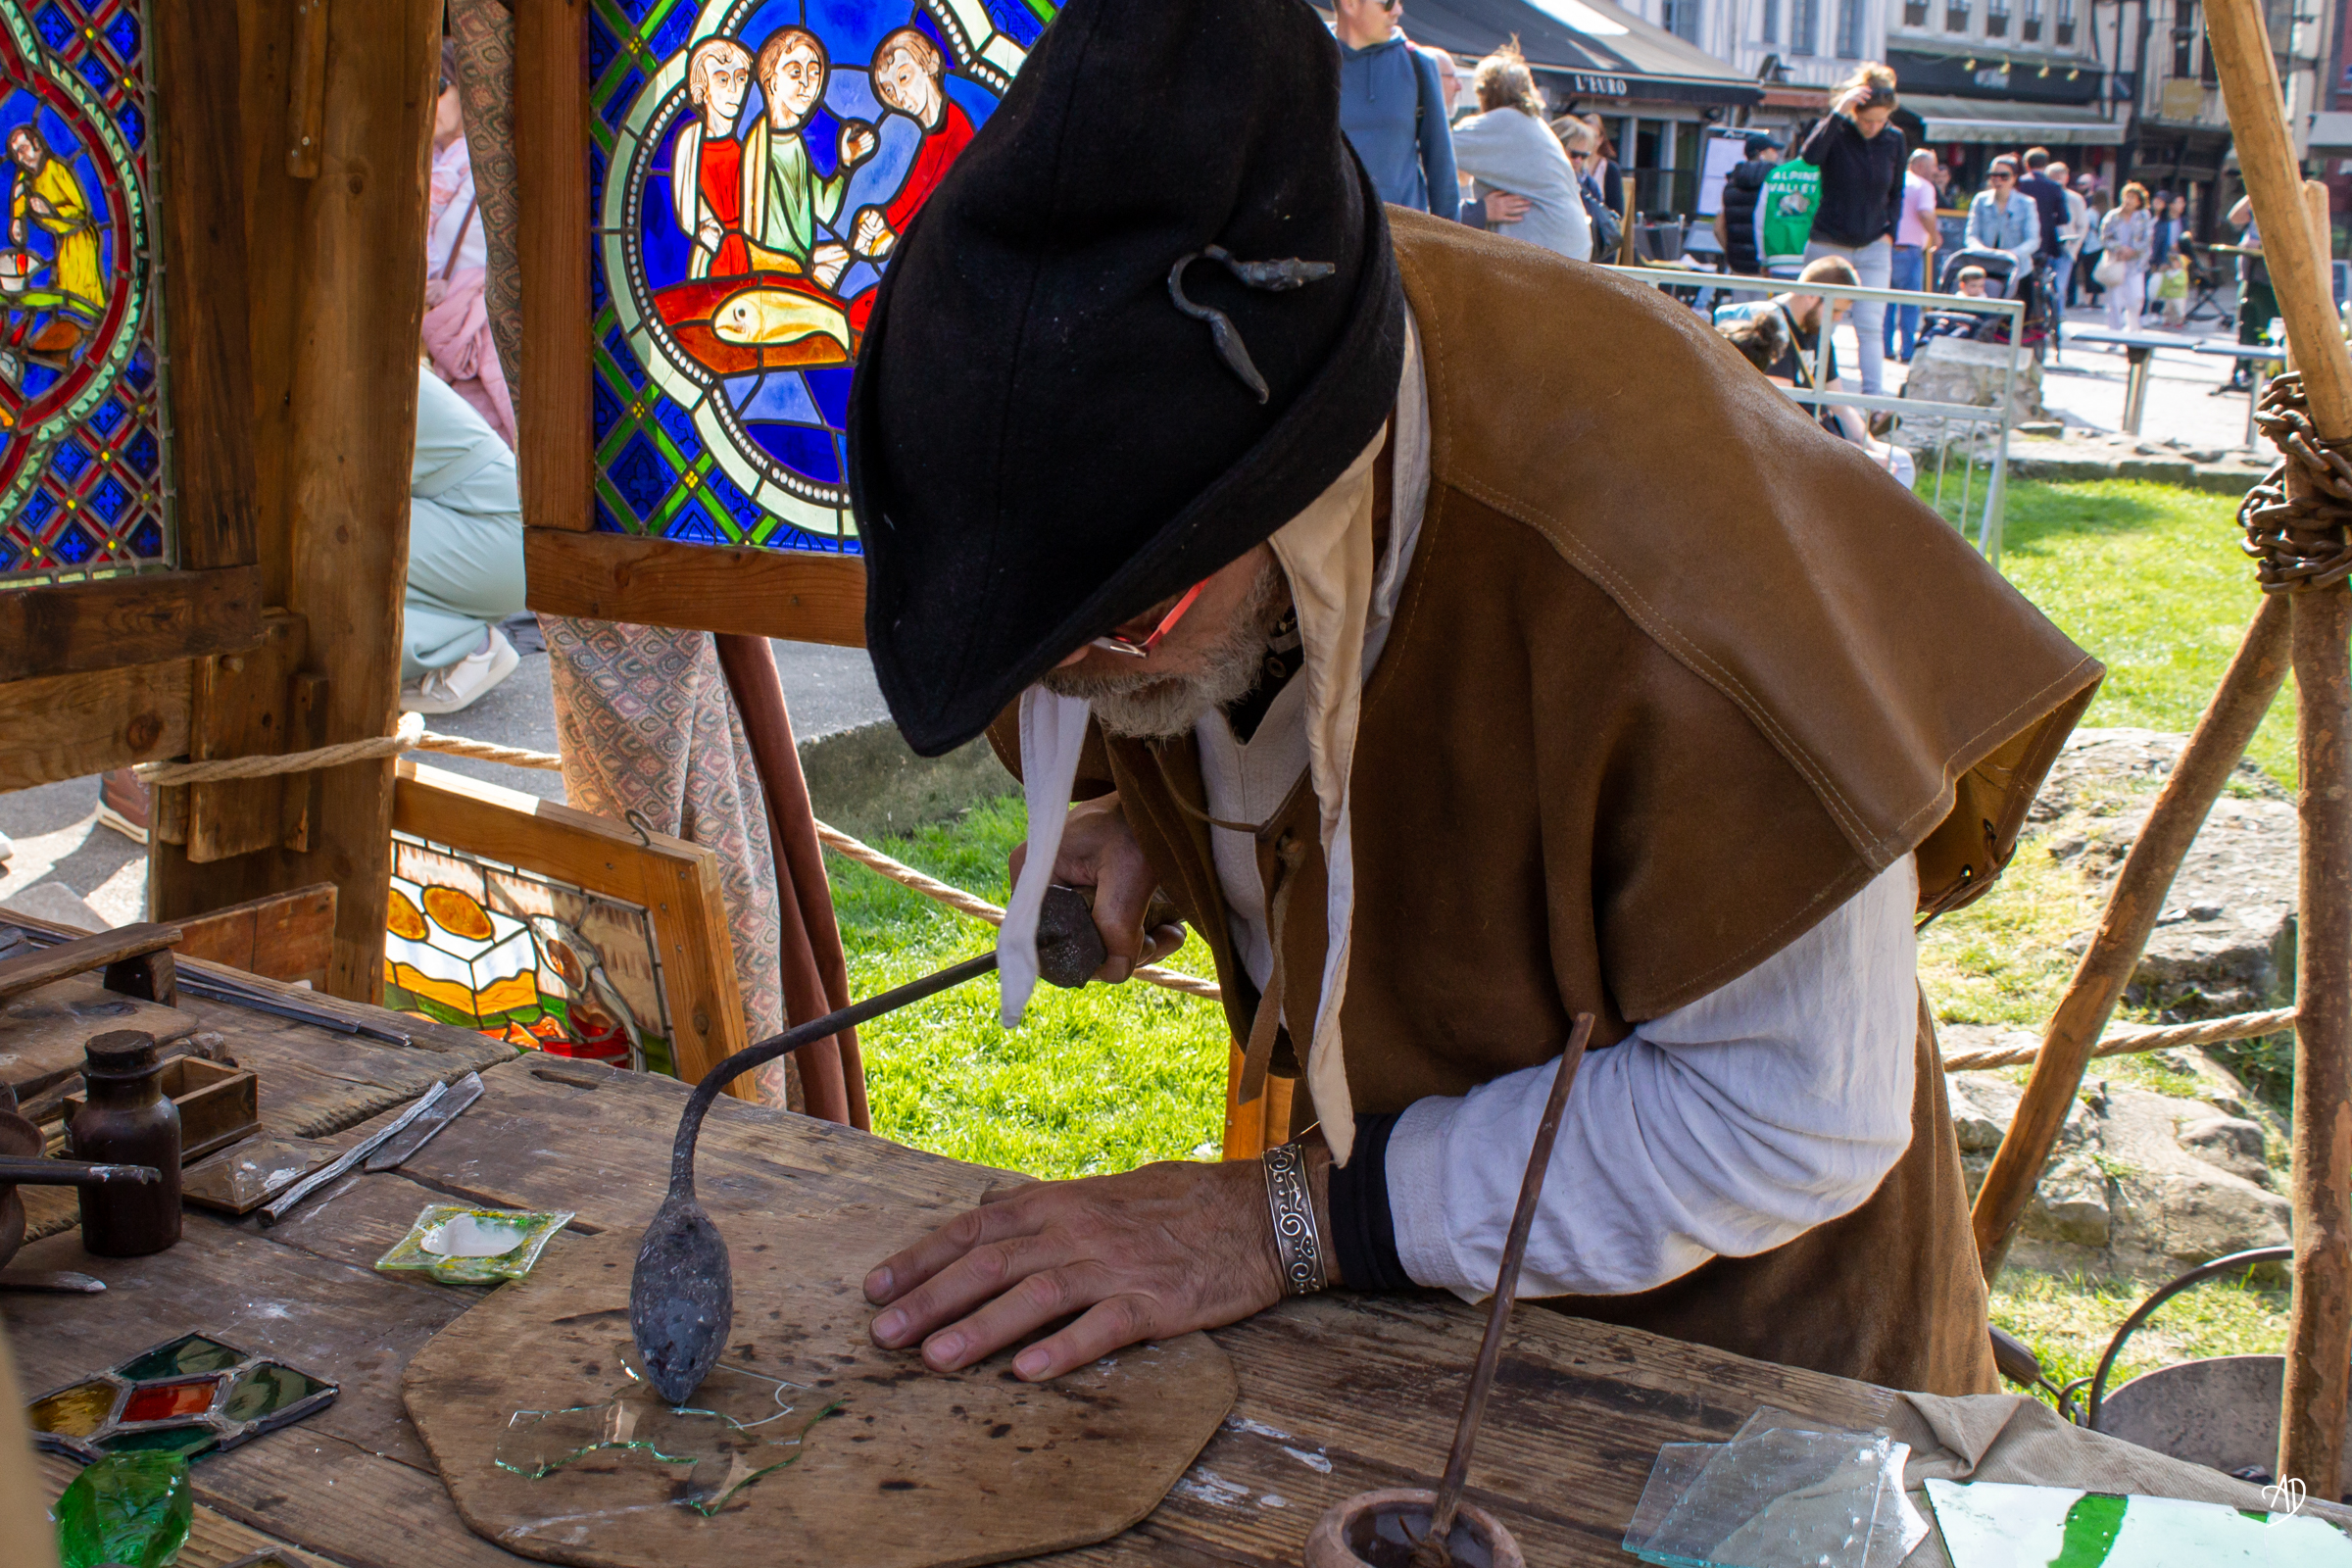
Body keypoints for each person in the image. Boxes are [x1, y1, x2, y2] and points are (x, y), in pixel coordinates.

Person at [845, 0, 2099, 1396]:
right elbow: (1238, 654)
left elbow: (1791, 1114)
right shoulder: (1181, 402)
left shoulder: (1669, 560)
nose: (1062, 687)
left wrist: (1282, 1220)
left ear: (1308, 473)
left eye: (1115, 629)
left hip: (1747, 1392)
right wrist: (1149, 808)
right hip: (1423, 1341)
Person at [1715, 256, 1914, 486]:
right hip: (1796, 444)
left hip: (1823, 437)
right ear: (1811, 295)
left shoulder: (1818, 332)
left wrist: (1871, 446)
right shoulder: (1773, 328)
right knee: (1878, 468)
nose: (1838, 319)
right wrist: (1854, 452)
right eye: (1834, 310)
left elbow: (1838, 402)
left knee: (1900, 460)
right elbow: (1785, 414)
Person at [400, 366, 526, 714]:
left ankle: (460, 650)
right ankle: (452, 642)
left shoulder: (353, 359)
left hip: (500, 537)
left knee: (329, 536)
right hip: (494, 535)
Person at [421, 41, 514, 446]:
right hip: (443, 357)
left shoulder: (490, 174)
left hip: (483, 349)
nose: (430, 100)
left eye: (439, 85)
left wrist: (457, 293)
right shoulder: (433, 170)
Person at [1797, 63, 1906, 396]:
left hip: (1874, 242)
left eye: (1881, 120)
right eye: (1867, 119)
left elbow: (1897, 190)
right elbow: (1810, 157)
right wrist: (1839, 113)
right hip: (1829, 239)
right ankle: (1815, 394)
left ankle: (1874, 401)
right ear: (1856, 112)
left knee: (1871, 324)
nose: (1874, 127)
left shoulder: (1894, 139)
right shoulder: (1839, 131)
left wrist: (1891, 233)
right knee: (1820, 321)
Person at [744, 27, 877, 292]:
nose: (808, 83)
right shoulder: (762, 146)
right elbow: (772, 237)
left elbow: (823, 208)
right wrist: (814, 264)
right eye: (795, 72)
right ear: (771, 81)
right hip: (776, 276)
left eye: (815, 72)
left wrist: (846, 162)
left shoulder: (794, 143)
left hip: (800, 264)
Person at [1446, 44, 1589, 261]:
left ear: (1485, 93)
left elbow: (1435, 147)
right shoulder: (1532, 123)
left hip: (1543, 253)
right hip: (1570, 249)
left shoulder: (1505, 121)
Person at [850, 28, 978, 263]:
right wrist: (879, 220)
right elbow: (911, 198)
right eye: (889, 90)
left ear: (931, 64)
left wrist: (894, 235)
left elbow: (943, 212)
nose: (898, 96)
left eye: (903, 78)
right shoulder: (932, 135)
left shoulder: (957, 130)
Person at [1331, 0, 1459, 220]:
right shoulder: (1309, 63)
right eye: (1387, 2)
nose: (1398, 10)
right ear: (1350, 4)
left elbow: (1442, 177)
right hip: (1330, 244)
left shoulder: (1418, 63)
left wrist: (1452, 253)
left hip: (1401, 245)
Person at [670, 36, 757, 278]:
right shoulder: (690, 140)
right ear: (702, 89)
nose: (734, 89)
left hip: (754, 254)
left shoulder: (753, 139)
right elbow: (686, 207)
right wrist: (704, 232)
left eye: (740, 78)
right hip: (712, 255)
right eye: (722, 79)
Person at [1886, 148, 1938, 363]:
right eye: (1932, 166)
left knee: (1886, 302)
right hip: (1910, 250)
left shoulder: (1894, 181)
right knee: (1910, 304)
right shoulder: (1923, 186)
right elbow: (1925, 212)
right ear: (1920, 166)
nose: (1934, 171)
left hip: (1887, 247)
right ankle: (1907, 351)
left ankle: (1885, 349)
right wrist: (1935, 236)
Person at [1713, 131, 1781, 277]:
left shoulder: (1731, 184)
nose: (1777, 155)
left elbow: (1718, 228)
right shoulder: (1776, 185)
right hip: (1768, 267)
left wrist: (1732, 253)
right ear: (1762, 153)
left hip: (1738, 267)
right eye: (1773, 150)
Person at [2226, 194, 2276, 388]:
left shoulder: (2286, 205)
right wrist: (2253, 192)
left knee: (2266, 329)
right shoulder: (2259, 200)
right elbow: (2235, 217)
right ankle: (2242, 371)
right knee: (2245, 328)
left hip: (2269, 281)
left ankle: (2266, 374)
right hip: (2249, 276)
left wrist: (2263, 244)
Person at [1555, 118, 1622, 260]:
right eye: (1573, 154)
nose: (1578, 160)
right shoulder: (1539, 178)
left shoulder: (1588, 184)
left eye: (1584, 155)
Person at [1965, 156, 2039, 275]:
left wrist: (2011, 254)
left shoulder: (2027, 203)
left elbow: (2033, 240)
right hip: (1984, 268)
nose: (1998, 180)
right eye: (1993, 175)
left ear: (2014, 178)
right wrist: (1983, 251)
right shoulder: (1980, 200)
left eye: (2004, 176)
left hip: (2018, 270)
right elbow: (1971, 235)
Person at [1755, 148, 1820, 279]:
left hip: (1777, 258)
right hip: (1814, 258)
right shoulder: (1825, 175)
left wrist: (1763, 258)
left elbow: (1760, 220)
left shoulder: (1775, 175)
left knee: (1780, 300)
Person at [2099, 182, 2152, 332]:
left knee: (2136, 299)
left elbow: (2147, 239)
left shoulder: (2143, 216)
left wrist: (2133, 250)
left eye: (2132, 198)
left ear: (2139, 201)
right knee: (2114, 302)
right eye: (2126, 197)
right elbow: (2104, 237)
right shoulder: (2113, 216)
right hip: (2116, 262)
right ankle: (2114, 335)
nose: (2128, 201)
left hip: (2135, 264)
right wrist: (2118, 248)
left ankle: (2133, 331)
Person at [2044, 161, 2088, 321]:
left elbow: (2083, 225)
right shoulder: (2043, 195)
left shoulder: (2075, 199)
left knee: (2059, 285)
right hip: (2046, 245)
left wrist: (2074, 247)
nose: (2056, 180)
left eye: (2059, 177)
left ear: (2066, 178)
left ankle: (2058, 315)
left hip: (2065, 246)